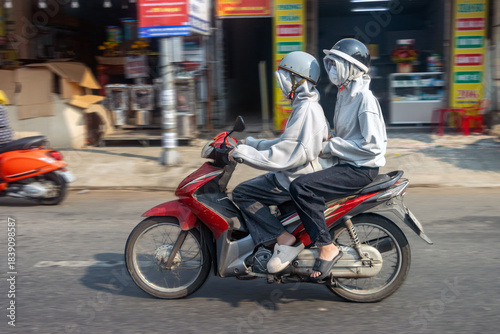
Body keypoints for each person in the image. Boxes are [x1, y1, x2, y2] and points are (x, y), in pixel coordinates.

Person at [288, 38, 387, 281]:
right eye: (329, 63)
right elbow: (346, 134)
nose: (331, 68)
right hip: (348, 162)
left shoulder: (365, 99)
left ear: (351, 67)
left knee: (301, 188)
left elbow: (373, 145)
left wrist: (331, 146)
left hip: (360, 169)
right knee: (295, 172)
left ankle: (326, 247)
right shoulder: (345, 94)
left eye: (336, 63)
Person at [229, 51, 330, 274]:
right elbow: (285, 142)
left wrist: (243, 154)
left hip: (293, 177)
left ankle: (283, 238)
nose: (283, 83)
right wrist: (252, 143)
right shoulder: (305, 106)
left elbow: (285, 155)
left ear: (297, 78)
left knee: (242, 193)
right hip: (292, 173)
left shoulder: (306, 110)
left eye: (286, 77)